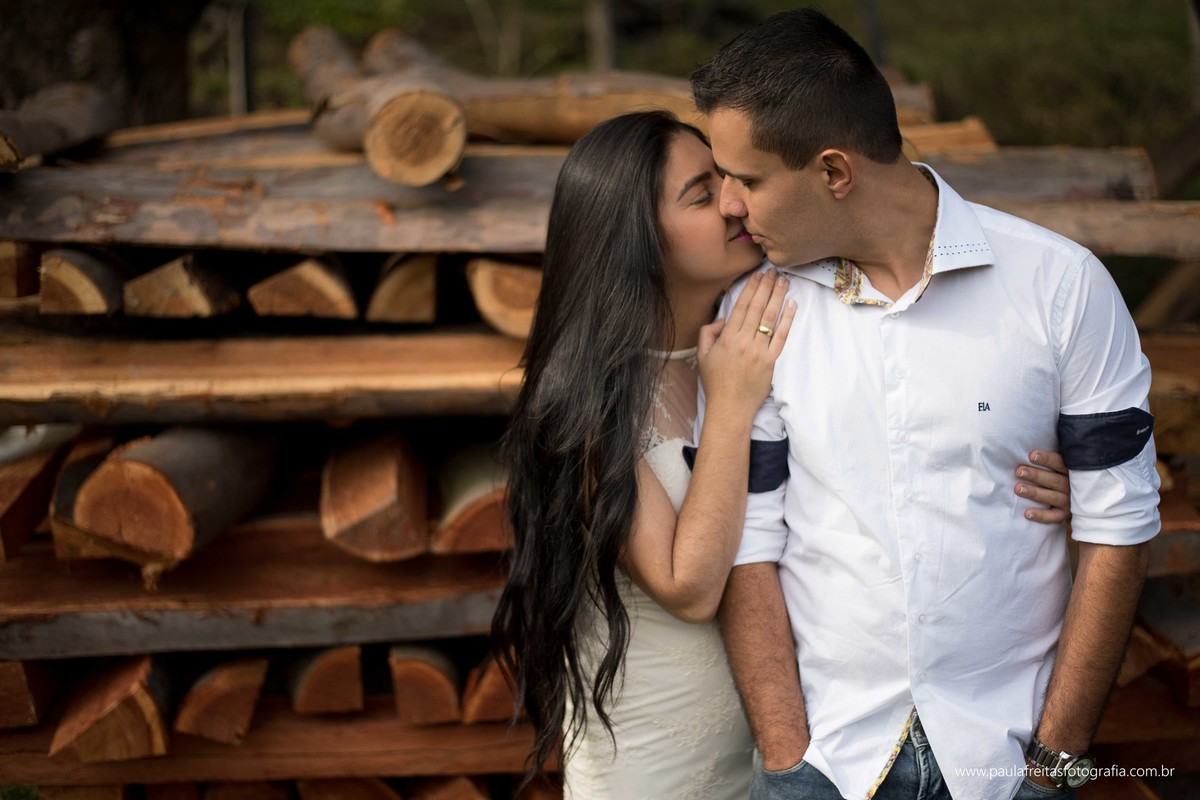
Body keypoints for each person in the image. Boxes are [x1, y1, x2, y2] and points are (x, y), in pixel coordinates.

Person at [490, 111, 1074, 799]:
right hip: (655, 758)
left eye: (732, 181)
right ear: (635, 239)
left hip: (797, 744)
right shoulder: (587, 397)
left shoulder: (757, 330)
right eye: (702, 195)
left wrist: (1030, 482)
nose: (736, 203)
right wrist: (732, 404)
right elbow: (689, 585)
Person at [688, 9, 1161, 800]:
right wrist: (786, 756)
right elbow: (749, 542)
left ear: (835, 172)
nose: (730, 206)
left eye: (749, 178)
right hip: (830, 762)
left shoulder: (1060, 287)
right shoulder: (758, 315)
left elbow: (1120, 526)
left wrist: (1057, 763)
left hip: (1007, 759)